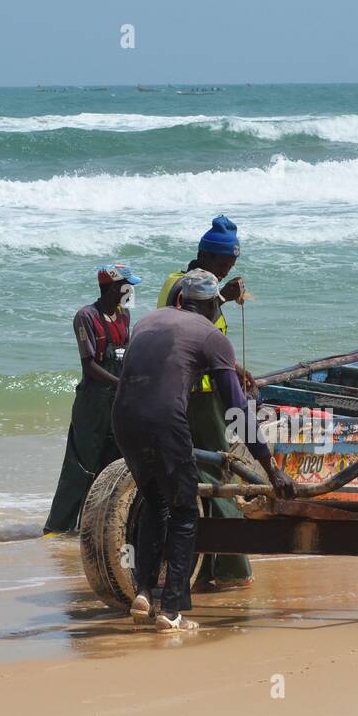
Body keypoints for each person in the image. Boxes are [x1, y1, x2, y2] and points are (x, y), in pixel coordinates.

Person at [112, 270, 294, 633]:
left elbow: (162, 364)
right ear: (212, 306)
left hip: (122, 418)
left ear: (180, 301)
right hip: (164, 420)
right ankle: (171, 610)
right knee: (183, 511)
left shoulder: (150, 320)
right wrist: (270, 469)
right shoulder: (213, 336)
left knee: (154, 502)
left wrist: (226, 368)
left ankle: (145, 592)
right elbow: (238, 411)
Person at [157, 215, 254, 591]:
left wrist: (236, 368)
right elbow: (180, 318)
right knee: (216, 472)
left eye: (229, 266)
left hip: (209, 391)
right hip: (194, 398)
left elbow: (208, 342)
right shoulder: (178, 283)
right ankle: (232, 568)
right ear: (202, 257)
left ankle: (213, 565)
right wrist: (220, 296)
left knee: (209, 471)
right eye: (219, 265)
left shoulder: (210, 290)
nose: (224, 272)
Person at [42, 263, 139, 535]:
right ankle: (57, 528)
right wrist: (122, 384)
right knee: (80, 465)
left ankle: (96, 526)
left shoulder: (124, 316)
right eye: (127, 285)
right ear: (112, 288)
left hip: (117, 403)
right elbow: (89, 365)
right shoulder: (86, 317)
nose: (130, 290)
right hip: (93, 403)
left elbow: (127, 355)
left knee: (113, 462)